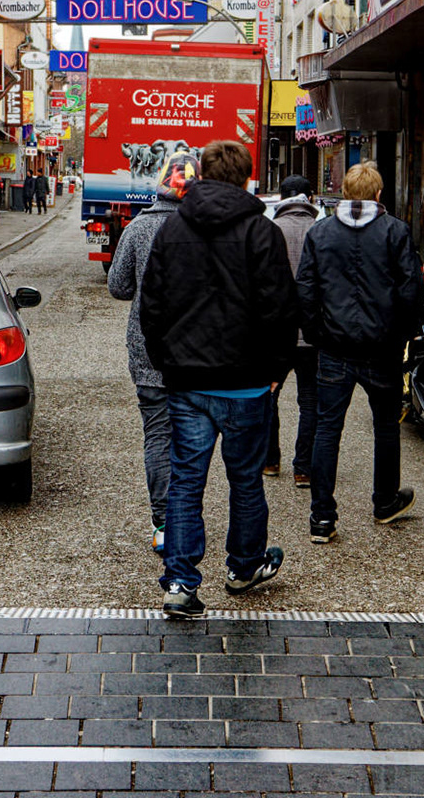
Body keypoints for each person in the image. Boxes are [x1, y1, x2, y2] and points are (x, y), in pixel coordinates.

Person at [139, 139, 298, 618]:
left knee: (187, 481)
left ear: (201, 175)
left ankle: (182, 584)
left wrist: (167, 362)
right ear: (248, 178)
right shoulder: (260, 234)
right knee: (246, 479)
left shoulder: (172, 230)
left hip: (187, 381)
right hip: (247, 382)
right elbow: (280, 311)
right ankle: (245, 566)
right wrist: (275, 372)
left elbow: (152, 307)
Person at [295, 160, 423, 544]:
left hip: (334, 347)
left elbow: (305, 290)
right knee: (385, 425)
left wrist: (318, 333)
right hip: (382, 348)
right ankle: (384, 501)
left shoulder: (321, 233)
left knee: (327, 428)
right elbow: (410, 290)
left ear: (345, 194)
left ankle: (322, 517)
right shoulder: (395, 232)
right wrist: (402, 335)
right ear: (379, 194)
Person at [107, 150, 195, 553]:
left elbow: (119, 287)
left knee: (157, 434)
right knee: (192, 437)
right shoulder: (203, 228)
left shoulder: (139, 228)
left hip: (147, 350)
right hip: (196, 352)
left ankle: (163, 522)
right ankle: (188, 518)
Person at [264, 175, 321, 487]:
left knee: (269, 395)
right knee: (310, 400)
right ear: (310, 198)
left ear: (281, 197)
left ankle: (270, 461)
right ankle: (304, 468)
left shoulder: (271, 230)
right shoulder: (321, 230)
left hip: (276, 333)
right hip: (312, 334)